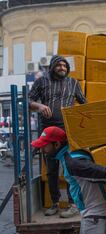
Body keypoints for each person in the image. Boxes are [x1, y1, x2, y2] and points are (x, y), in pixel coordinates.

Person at [29, 55, 86, 218]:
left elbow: (84, 104)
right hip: (47, 131)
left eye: (64, 65)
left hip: (68, 131)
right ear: (52, 66)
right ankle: (54, 203)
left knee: (70, 167)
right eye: (59, 65)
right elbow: (29, 100)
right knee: (52, 169)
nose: (62, 68)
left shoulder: (74, 83)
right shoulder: (42, 81)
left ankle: (73, 204)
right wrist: (39, 106)